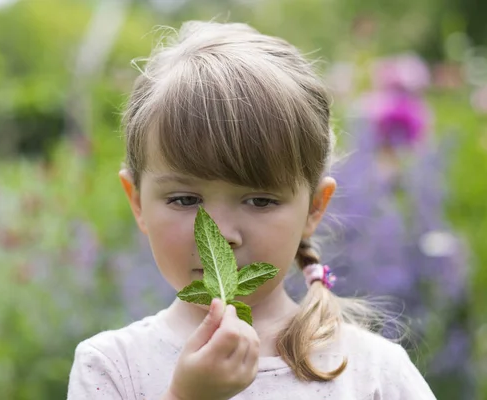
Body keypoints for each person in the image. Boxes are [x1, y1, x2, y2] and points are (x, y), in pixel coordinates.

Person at [67, 21, 437, 400]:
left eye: (260, 200)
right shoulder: (111, 367)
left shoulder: (372, 372)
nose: (222, 233)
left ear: (314, 207)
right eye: (185, 199)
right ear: (137, 201)